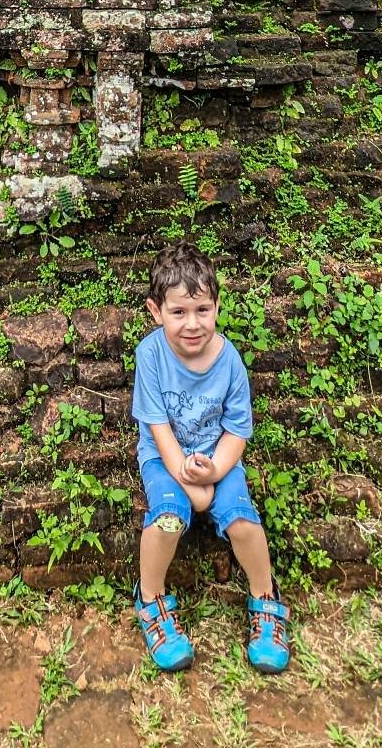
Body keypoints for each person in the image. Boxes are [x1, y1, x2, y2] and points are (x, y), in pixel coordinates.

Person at [130, 240, 290, 674]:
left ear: (217, 306)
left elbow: (238, 429)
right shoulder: (151, 356)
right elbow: (156, 425)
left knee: (242, 521)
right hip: (165, 458)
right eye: (178, 312)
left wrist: (216, 470)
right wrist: (184, 474)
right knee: (167, 517)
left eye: (202, 310)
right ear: (155, 310)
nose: (192, 324)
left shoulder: (230, 361)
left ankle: (265, 597)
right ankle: (151, 599)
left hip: (219, 459)